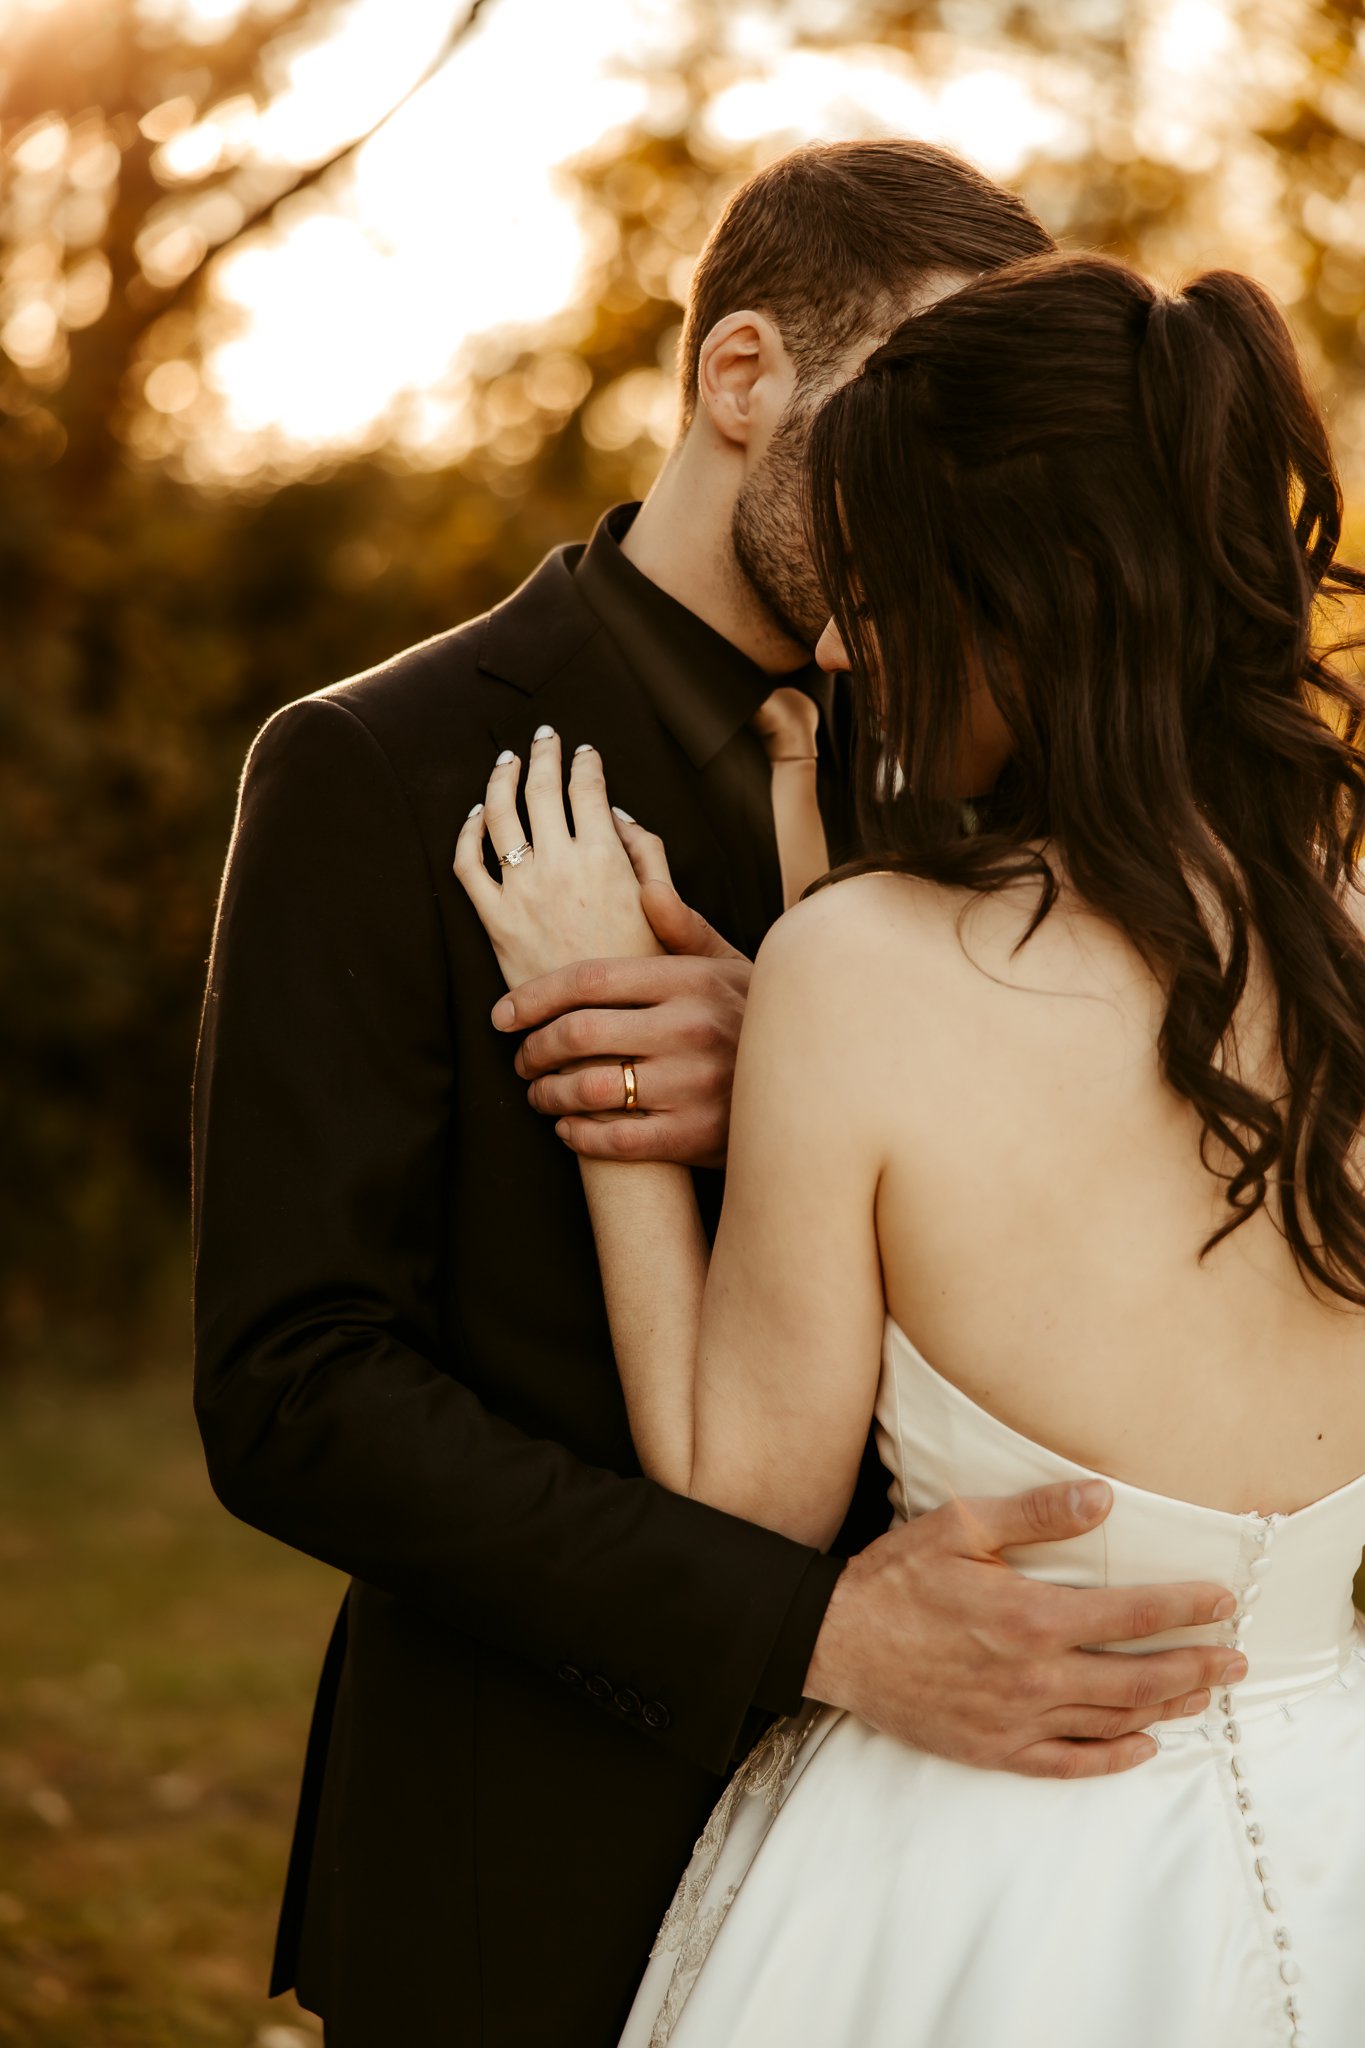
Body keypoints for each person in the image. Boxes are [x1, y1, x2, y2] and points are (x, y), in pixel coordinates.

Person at [192, 148, 1239, 2047]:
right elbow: (294, 1390)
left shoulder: (1013, 754)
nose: (946, 477)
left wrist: (785, 1064)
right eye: (900, 416)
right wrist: (815, 1632)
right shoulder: (374, 764)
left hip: (1000, 1859)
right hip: (533, 1843)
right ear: (741, 373)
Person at [454, 250, 1365, 2047]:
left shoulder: (856, 972)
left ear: (1011, 597)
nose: (852, 647)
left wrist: (602, 1048)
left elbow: (738, 1505)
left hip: (990, 1872)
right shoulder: (1346, 921)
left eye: (877, 593)